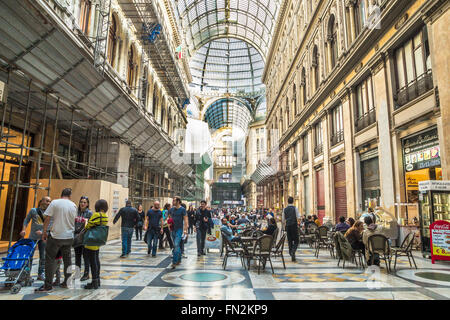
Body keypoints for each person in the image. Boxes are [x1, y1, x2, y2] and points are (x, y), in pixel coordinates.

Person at [36, 188, 77, 293]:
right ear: (70, 195)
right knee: (67, 259)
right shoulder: (73, 205)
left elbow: (47, 218)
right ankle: (67, 282)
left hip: (56, 236)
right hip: (68, 237)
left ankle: (48, 285)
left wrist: (44, 232)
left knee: (49, 260)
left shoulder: (55, 203)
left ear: (61, 194)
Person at [20, 196, 52, 281]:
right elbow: (26, 220)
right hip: (32, 237)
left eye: (50, 202)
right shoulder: (33, 210)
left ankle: (40, 274)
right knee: (29, 256)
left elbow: (51, 225)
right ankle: (27, 274)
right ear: (42, 201)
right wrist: (23, 229)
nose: (48, 203)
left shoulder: (50, 213)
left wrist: (43, 232)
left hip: (43, 238)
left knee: (43, 256)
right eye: (47, 201)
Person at [83, 199, 109, 290]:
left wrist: (86, 222)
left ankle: (94, 282)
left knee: (92, 262)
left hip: (91, 241)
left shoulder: (96, 215)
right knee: (96, 260)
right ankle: (97, 280)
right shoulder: (105, 216)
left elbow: (88, 226)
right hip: (98, 241)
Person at [74, 196, 93, 282]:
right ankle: (77, 274)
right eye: (81, 202)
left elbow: (91, 225)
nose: (82, 204)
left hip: (85, 237)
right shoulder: (76, 212)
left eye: (84, 202)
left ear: (87, 204)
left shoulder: (89, 213)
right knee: (77, 256)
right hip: (76, 236)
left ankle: (86, 274)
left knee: (86, 256)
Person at [170, 197, 188, 269]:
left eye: (174, 200)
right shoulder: (171, 209)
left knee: (176, 244)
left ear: (178, 201)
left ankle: (174, 262)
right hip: (172, 229)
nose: (173, 201)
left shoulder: (182, 210)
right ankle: (179, 259)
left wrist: (185, 230)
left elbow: (186, 220)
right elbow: (169, 217)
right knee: (176, 245)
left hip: (179, 229)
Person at [282, 196, 300, 262]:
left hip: (288, 226)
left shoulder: (284, 209)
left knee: (289, 240)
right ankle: (293, 251)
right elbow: (298, 217)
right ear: (293, 201)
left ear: (287, 201)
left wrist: (284, 227)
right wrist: (298, 223)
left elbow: (283, 220)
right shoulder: (295, 208)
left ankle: (291, 252)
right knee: (296, 240)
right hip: (294, 226)